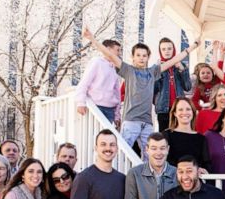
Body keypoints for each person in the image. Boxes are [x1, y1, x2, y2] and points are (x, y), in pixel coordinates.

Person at [83, 26, 198, 157]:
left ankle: (147, 177)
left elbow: (174, 60)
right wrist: (92, 39)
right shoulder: (128, 70)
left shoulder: (153, 72)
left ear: (148, 57)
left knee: (150, 155)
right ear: (133, 57)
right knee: (123, 152)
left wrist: (193, 46)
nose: (141, 58)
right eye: (138, 55)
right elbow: (109, 54)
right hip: (131, 120)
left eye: (144, 55)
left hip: (147, 122)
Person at [75, 38, 123, 123]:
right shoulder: (97, 62)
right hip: (96, 107)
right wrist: (80, 102)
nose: (119, 53)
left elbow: (117, 93)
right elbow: (84, 83)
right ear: (108, 49)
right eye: (117, 50)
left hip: (110, 109)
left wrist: (117, 115)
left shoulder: (114, 68)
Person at [153, 37, 192, 132]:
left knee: (180, 135)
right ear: (160, 51)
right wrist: (158, 72)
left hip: (179, 109)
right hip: (163, 109)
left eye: (169, 48)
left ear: (174, 49)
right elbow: (153, 90)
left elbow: (187, 87)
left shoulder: (181, 65)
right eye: (163, 49)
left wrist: (182, 70)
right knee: (164, 136)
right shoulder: (156, 68)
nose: (167, 51)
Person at [163, 98, 210, 168]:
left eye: (188, 109)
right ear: (175, 113)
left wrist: (203, 170)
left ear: (193, 112)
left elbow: (206, 164)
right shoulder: (166, 135)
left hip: (194, 178)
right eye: (180, 109)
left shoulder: (201, 139)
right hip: (172, 177)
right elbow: (164, 160)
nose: (184, 112)